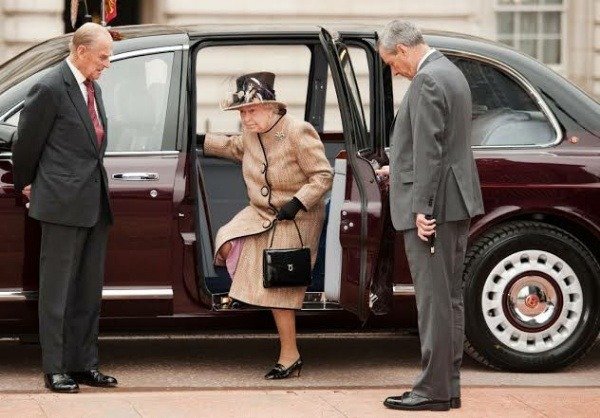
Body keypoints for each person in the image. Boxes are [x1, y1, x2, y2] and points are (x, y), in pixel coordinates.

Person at [376, 20, 484, 411]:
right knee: (449, 299)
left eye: (391, 62)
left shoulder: (427, 81)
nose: (394, 71)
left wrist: (423, 209)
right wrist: (397, 166)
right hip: (455, 200)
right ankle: (447, 387)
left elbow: (431, 151)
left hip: (436, 207)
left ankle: (432, 391)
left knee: (434, 302)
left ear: (403, 50)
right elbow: (438, 146)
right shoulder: (449, 71)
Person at [203, 72, 333, 379]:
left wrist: (297, 203)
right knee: (225, 241)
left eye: (251, 111)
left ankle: (290, 355)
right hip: (260, 211)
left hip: (297, 216)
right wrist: (191, 139)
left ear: (272, 108)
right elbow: (235, 148)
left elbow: (323, 176)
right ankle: (248, 286)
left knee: (279, 284)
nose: (246, 119)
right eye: (242, 113)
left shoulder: (298, 132)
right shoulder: (251, 134)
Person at [12, 23, 117, 393]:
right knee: (56, 293)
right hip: (59, 204)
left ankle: (84, 364)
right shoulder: (51, 87)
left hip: (94, 204)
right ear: (82, 50)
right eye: (103, 56)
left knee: (88, 292)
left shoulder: (94, 88)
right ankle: (55, 368)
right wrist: (27, 183)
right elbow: (26, 144)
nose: (108, 63)